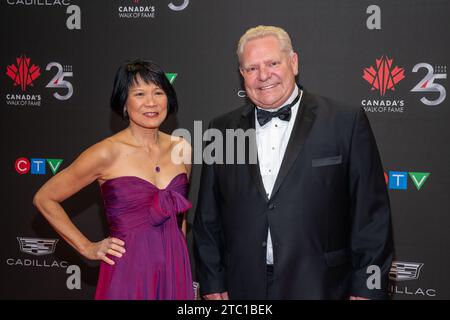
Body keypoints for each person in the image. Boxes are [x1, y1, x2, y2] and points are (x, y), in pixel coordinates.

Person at [193, 25, 393, 300]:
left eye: (273, 63)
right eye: (251, 68)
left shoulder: (345, 121)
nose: (263, 75)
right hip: (243, 286)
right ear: (242, 74)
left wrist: (368, 288)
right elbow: (208, 217)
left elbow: (371, 216)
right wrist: (212, 282)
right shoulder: (222, 129)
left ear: (293, 62)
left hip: (322, 285)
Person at [33, 59, 194, 300]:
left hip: (175, 267)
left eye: (158, 92)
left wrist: (182, 261)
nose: (151, 102)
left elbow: (179, 216)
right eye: (139, 93)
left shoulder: (182, 147)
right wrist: (87, 247)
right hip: (129, 269)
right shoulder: (105, 153)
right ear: (124, 103)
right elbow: (44, 198)